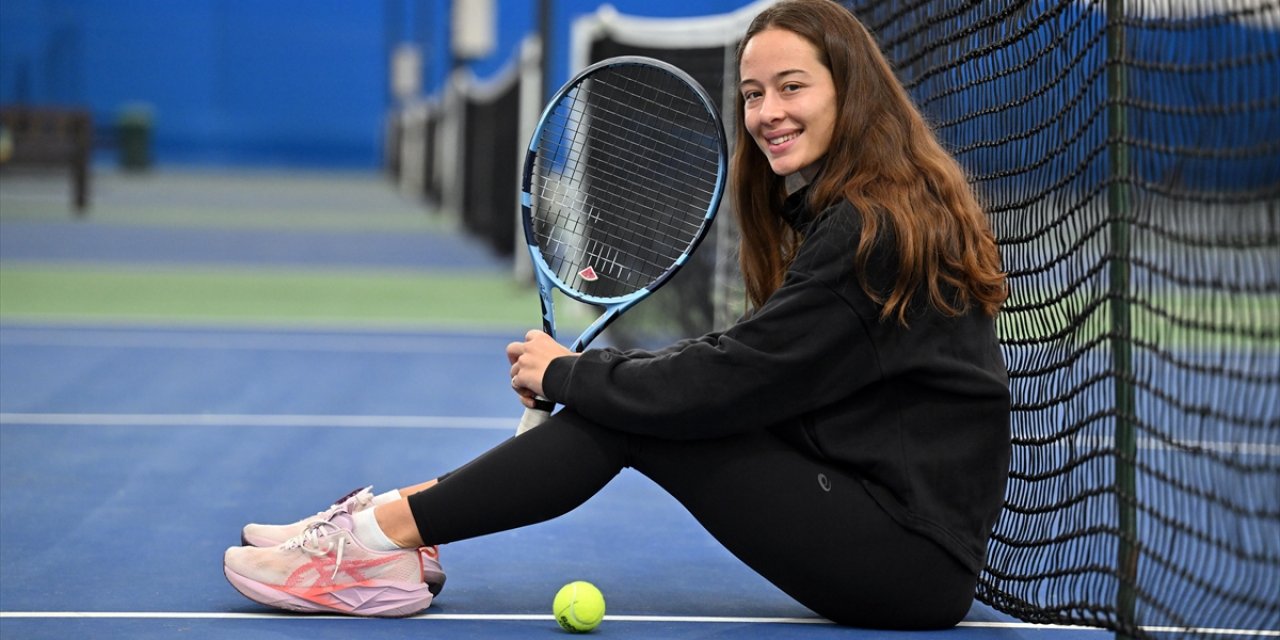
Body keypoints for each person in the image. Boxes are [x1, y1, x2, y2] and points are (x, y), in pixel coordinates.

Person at [223, 0, 1010, 629]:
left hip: (907, 562)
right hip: (883, 516)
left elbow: (737, 377)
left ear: (851, 90)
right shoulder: (868, 209)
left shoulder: (871, 230)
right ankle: (400, 527)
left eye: (792, 86)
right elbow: (750, 360)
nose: (767, 111)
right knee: (634, 402)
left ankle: (377, 542)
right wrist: (584, 378)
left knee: (630, 418)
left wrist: (574, 375)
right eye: (753, 93)